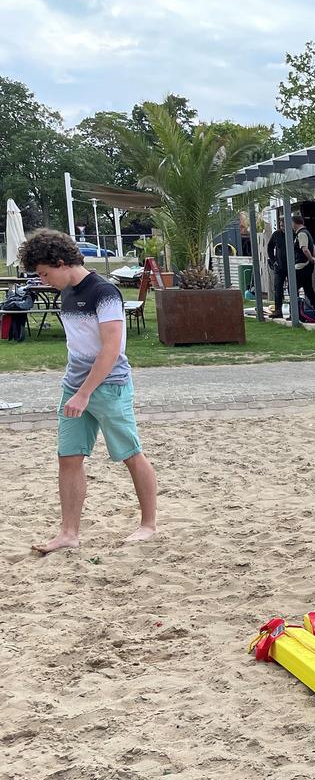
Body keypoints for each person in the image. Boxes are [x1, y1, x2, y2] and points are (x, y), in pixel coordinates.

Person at [19, 229, 158, 554]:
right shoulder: (66, 292)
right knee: (68, 458)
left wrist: (84, 393)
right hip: (74, 387)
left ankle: (148, 525)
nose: (43, 280)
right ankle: (69, 533)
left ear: (62, 261)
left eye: (44, 272)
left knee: (130, 454)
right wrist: (75, 390)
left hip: (108, 388)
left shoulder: (104, 291)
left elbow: (111, 350)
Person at [291, 213, 315, 317]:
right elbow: (314, 248)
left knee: (293, 288)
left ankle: (295, 312)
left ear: (295, 223)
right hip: (307, 265)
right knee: (308, 289)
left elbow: (305, 248)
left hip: (301, 265)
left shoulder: (301, 234)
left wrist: (311, 259)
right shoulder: (308, 232)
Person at [266, 210, 288, 319]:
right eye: (281, 224)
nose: (282, 225)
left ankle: (294, 309)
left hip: (291, 266)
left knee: (293, 288)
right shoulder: (277, 234)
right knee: (277, 287)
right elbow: (270, 247)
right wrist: (273, 260)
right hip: (279, 266)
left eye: (283, 223)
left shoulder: (293, 233)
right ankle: (278, 310)